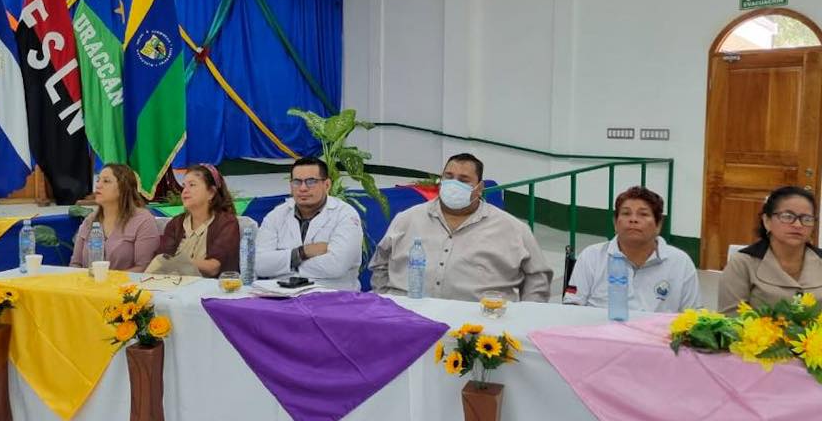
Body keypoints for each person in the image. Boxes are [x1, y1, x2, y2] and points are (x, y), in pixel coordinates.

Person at [369, 153, 552, 302]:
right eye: (448, 177)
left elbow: (538, 278)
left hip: (480, 328)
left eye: (463, 180)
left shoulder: (512, 229)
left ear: (479, 188)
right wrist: (386, 302)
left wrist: (525, 317)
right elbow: (380, 264)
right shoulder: (407, 219)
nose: (454, 184)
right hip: (409, 319)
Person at [563, 186, 700, 312]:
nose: (633, 219)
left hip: (658, 337)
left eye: (643, 214)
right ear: (615, 223)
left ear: (658, 224)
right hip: (602, 335)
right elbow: (572, 307)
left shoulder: (680, 262)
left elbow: (692, 317)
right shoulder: (591, 256)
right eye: (626, 213)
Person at [255, 157, 363, 289]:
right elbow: (259, 265)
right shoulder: (276, 216)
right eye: (297, 182)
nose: (303, 188)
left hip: (333, 297)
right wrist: (302, 253)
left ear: (327, 185)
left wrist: (286, 264)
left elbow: (336, 266)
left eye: (311, 181)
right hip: (282, 295)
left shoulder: (345, 215)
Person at [719, 186, 822, 314]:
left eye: (806, 219)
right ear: (767, 221)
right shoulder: (743, 263)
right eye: (788, 216)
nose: (798, 225)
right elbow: (730, 320)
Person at [70, 164, 160, 272]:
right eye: (98, 180)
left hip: (126, 286)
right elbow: (75, 264)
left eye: (106, 181)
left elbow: (144, 268)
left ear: (123, 188)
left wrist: (109, 282)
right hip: (88, 285)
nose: (98, 185)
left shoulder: (143, 220)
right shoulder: (90, 220)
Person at [155, 164, 241, 277]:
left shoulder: (226, 223)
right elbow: (162, 259)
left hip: (211, 290)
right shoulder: (176, 223)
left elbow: (213, 268)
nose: (185, 191)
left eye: (192, 185)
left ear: (211, 193)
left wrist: (176, 261)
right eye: (184, 186)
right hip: (174, 287)